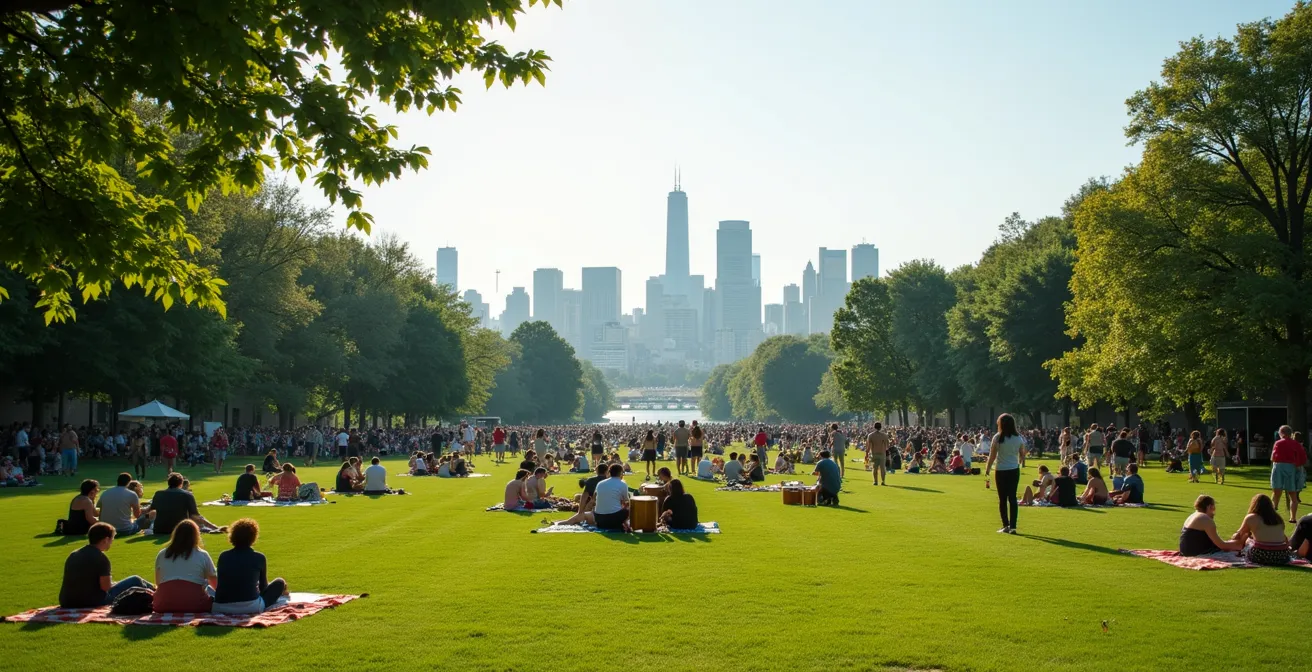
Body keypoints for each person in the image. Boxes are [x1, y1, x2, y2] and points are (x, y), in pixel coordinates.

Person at [59, 522, 154, 608]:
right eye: (112, 539)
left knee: (131, 581)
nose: (112, 543)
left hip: (67, 601)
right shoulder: (101, 558)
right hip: (93, 601)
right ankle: (158, 592)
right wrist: (115, 584)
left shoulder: (74, 554)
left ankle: (156, 589)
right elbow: (106, 587)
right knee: (136, 580)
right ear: (105, 540)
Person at [213, 518, 289, 613]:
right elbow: (263, 588)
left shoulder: (223, 556)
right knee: (280, 583)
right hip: (250, 607)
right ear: (253, 537)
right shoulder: (259, 557)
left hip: (220, 606)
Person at [152, 520, 218, 613]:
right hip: (196, 605)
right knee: (209, 580)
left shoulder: (162, 554)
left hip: (163, 604)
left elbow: (158, 583)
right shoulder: (202, 555)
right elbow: (215, 585)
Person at [554, 463, 630, 530]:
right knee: (629, 508)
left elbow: (592, 498)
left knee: (584, 514)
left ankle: (561, 523)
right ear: (621, 473)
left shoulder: (600, 483)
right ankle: (627, 525)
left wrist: (580, 511)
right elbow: (626, 502)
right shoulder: (622, 484)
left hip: (599, 520)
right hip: (614, 519)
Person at [985, 413, 1025, 534]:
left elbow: (992, 456)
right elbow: (1022, 453)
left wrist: (987, 469)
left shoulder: (997, 437)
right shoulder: (1018, 438)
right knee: (1012, 498)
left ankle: (1005, 525)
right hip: (1014, 470)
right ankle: (1013, 526)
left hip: (1001, 470)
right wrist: (1018, 462)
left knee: (1002, 499)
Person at [1231, 494, 1292, 566]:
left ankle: (1240, 552)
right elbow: (1285, 539)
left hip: (1261, 555)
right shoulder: (1278, 518)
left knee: (1247, 538)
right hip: (1282, 556)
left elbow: (1238, 536)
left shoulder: (1251, 517)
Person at [1178, 495, 1243, 556]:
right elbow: (1222, 545)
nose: (1214, 512)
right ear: (1209, 507)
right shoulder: (1205, 519)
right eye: (1214, 508)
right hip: (1196, 553)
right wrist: (1239, 544)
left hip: (1186, 551)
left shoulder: (1193, 515)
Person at [1270, 425, 1307, 523]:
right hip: (1291, 468)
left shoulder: (1278, 443)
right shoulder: (1296, 444)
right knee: (1293, 495)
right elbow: (1303, 458)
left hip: (1279, 467)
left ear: (1282, 433)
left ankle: (1272, 513)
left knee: (1276, 493)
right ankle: (1293, 517)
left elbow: (1273, 457)